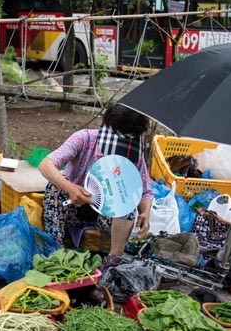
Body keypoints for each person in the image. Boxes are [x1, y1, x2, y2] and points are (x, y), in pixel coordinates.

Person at [38, 104, 153, 269]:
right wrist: (71, 188)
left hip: (105, 216)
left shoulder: (134, 154)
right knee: (54, 188)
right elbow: (46, 164)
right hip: (72, 206)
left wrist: (145, 212)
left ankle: (113, 261)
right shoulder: (84, 139)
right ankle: (55, 252)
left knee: (128, 202)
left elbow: (145, 190)